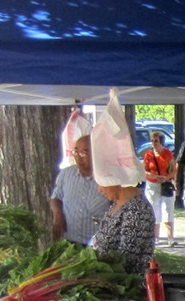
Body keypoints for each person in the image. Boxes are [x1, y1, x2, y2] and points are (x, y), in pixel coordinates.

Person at [91, 93, 156, 278]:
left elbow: (126, 259)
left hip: (128, 288)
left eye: (102, 183)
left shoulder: (137, 210)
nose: (100, 189)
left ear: (114, 179)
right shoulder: (116, 205)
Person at [49, 118, 110, 247]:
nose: (77, 156)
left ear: (96, 154)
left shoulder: (107, 179)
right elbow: (56, 197)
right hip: (69, 241)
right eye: (76, 151)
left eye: (84, 153)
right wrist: (58, 214)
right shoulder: (66, 174)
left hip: (98, 245)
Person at [142, 130, 177, 244]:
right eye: (152, 141)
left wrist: (166, 177)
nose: (153, 143)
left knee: (168, 209)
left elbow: (173, 170)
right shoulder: (148, 155)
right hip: (152, 185)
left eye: (156, 141)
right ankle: (155, 238)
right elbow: (144, 171)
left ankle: (170, 238)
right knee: (154, 209)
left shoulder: (168, 154)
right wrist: (152, 176)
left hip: (166, 185)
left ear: (161, 141)